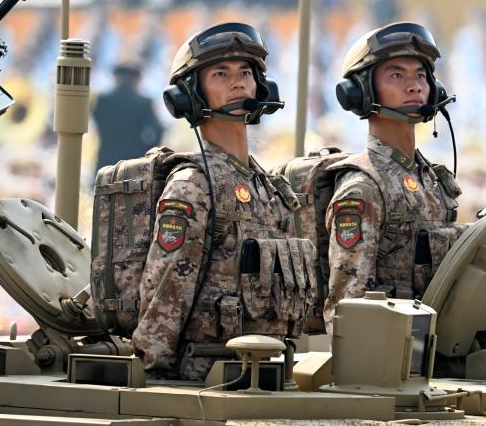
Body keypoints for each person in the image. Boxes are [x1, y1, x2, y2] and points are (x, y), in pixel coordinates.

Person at [133, 22, 317, 381]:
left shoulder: (270, 188)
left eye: (245, 73)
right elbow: (166, 290)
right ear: (191, 94)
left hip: (266, 373)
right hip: (204, 378)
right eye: (221, 74)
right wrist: (157, 379)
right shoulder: (192, 185)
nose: (237, 83)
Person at [325, 22, 465, 331]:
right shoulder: (362, 188)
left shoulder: (433, 180)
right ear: (362, 92)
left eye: (420, 75)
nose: (414, 86)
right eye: (397, 75)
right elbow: (347, 309)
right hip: (389, 352)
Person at [92, 63, 164, 167]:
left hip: (105, 159)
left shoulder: (102, 100)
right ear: (135, 79)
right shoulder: (143, 103)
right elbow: (158, 131)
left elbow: (95, 120)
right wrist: (145, 150)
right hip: (132, 162)